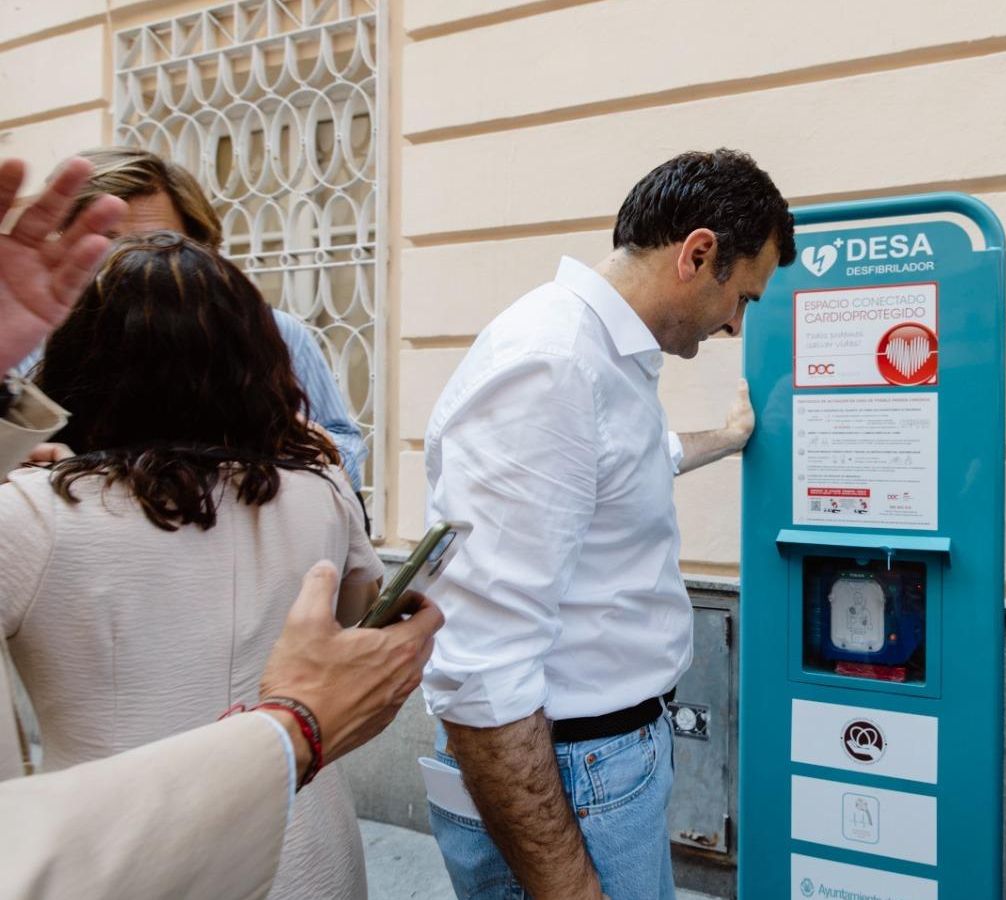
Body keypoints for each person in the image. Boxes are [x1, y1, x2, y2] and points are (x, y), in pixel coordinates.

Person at [0, 154, 443, 900]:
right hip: (306, 836)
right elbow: (353, 621)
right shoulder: (321, 489)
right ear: (257, 355)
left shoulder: (34, 512)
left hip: (120, 853)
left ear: (77, 357)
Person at [422, 149, 794, 899]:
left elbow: (630, 463)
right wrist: (568, 887)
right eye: (745, 297)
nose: (737, 325)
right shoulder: (555, 363)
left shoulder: (601, 356)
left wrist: (726, 438)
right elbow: (481, 666)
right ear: (698, 254)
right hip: (569, 778)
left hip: (592, 764)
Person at [17, 147, 367, 489]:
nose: (128, 262)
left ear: (196, 247)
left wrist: (302, 441)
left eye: (154, 242)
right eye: (106, 242)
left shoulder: (273, 332)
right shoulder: (21, 338)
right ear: (60, 241)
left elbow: (347, 455)